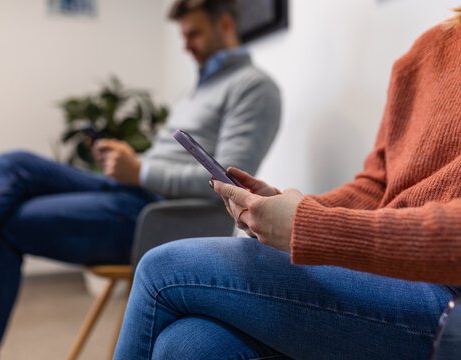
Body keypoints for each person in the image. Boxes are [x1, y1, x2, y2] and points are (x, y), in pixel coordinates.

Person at [0, 1, 281, 359]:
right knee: (13, 163)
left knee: (0, 222)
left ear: (227, 25)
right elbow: (167, 161)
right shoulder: (195, 90)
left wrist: (140, 172)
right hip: (132, 190)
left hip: (157, 216)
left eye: (193, 34)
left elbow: (231, 181)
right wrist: (128, 161)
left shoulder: (253, 87)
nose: (185, 45)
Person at [114, 8, 461, 360]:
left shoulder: (251, 86)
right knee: (190, 343)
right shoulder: (425, 52)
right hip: (386, 270)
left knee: (162, 269)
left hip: (448, 296)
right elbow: (378, 184)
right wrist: (280, 210)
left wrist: (310, 226)